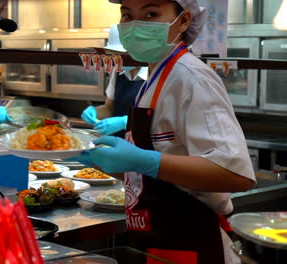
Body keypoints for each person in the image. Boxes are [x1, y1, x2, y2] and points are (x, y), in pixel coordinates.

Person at [76, 0, 256, 263]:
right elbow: (160, 173)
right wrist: (102, 160)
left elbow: (236, 174)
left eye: (151, 14)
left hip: (191, 242)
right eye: (127, 15)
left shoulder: (192, 77)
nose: (136, 25)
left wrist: (144, 160)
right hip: (155, 241)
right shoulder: (156, 75)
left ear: (183, 21)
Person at [81, 24, 147, 137]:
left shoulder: (153, 75)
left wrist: (124, 122)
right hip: (118, 143)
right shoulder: (118, 73)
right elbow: (109, 108)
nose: (119, 59)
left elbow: (161, 118)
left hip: (143, 146)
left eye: (123, 54)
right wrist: (95, 112)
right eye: (115, 54)